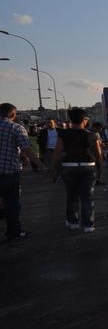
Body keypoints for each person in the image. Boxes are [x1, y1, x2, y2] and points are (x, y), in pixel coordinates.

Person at [50, 107, 103, 232]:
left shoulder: (63, 134)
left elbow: (57, 154)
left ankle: (73, 222)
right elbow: (98, 154)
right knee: (87, 196)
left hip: (69, 167)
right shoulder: (91, 135)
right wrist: (100, 170)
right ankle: (88, 225)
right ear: (84, 120)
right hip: (88, 167)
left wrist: (54, 170)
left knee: (71, 195)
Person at [0, 103, 45, 241]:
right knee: (12, 203)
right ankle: (14, 232)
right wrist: (41, 166)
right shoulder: (15, 128)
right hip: (9, 173)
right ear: (12, 114)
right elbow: (27, 149)